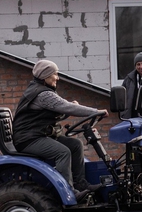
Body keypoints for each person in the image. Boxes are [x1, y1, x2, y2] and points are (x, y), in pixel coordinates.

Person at [12, 59, 107, 197]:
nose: (58, 77)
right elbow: (67, 107)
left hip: (38, 135)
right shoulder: (42, 94)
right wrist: (96, 111)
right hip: (28, 139)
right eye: (55, 74)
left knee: (75, 145)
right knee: (62, 152)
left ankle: (80, 183)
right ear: (45, 75)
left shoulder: (41, 90)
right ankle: (68, 192)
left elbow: (58, 110)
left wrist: (69, 107)